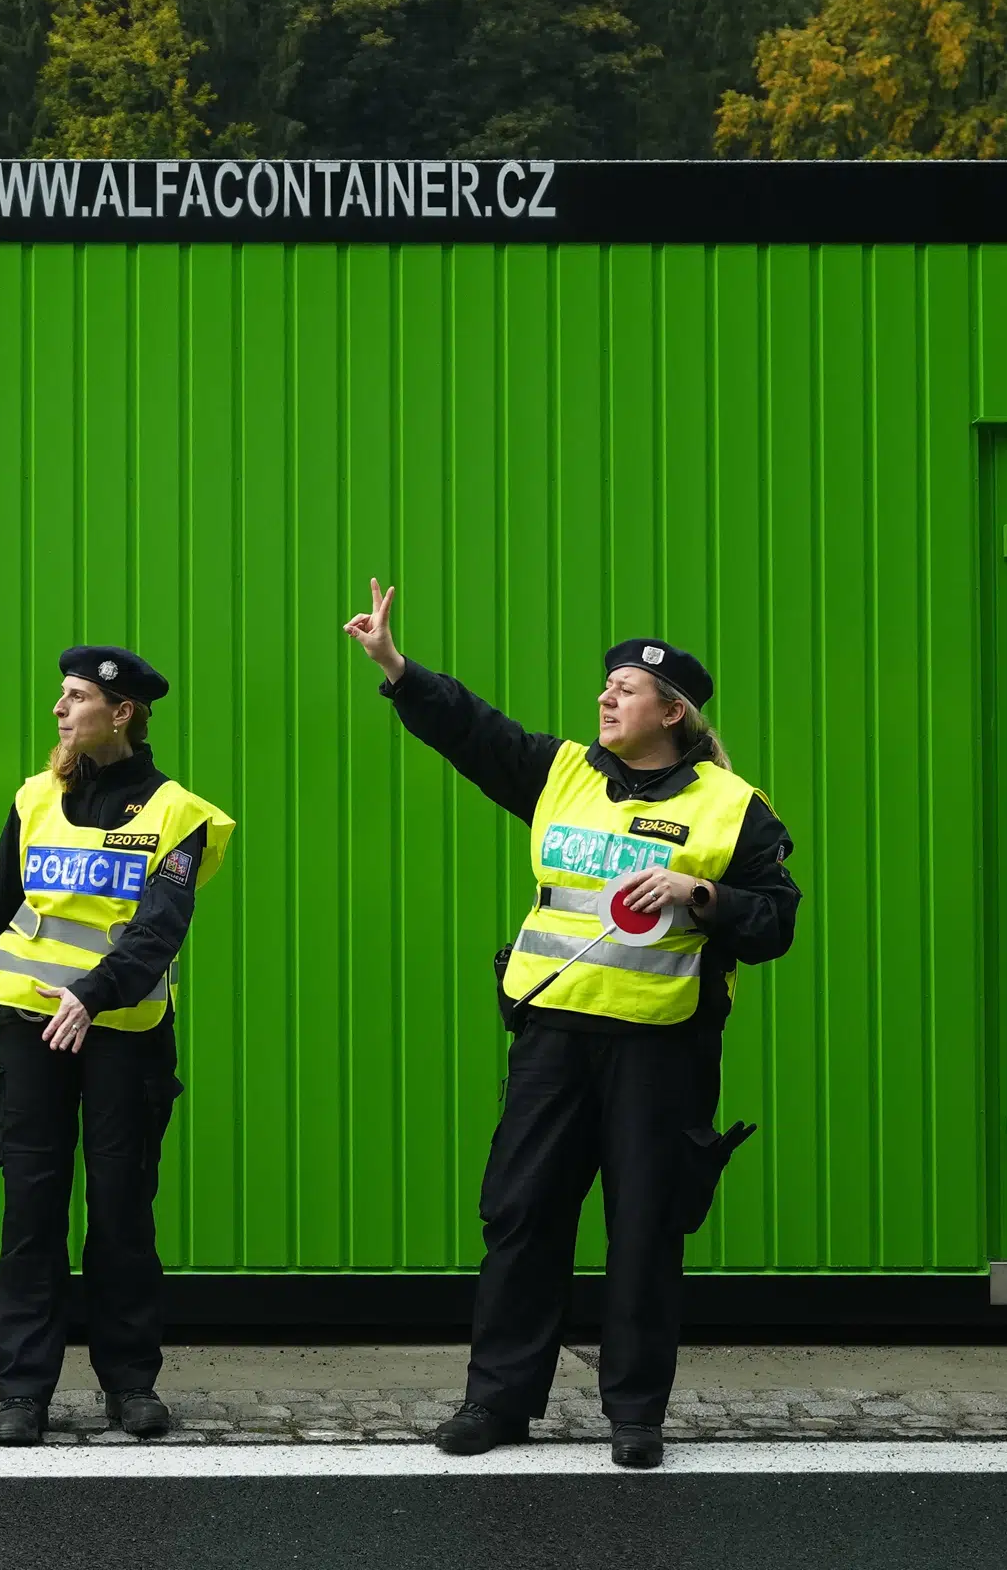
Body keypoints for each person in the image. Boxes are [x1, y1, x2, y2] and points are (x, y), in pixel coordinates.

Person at [344, 582, 801, 1471]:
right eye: (606, 687)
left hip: (660, 1052)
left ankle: (635, 1415)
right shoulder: (562, 773)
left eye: (624, 690)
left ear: (672, 712)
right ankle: (497, 1404)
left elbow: (777, 919)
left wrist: (702, 894)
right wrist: (396, 669)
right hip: (551, 1037)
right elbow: (476, 732)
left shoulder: (731, 804)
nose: (605, 698)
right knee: (521, 1218)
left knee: (643, 1230)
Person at [0, 645, 236, 1447]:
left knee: (120, 1209)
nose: (59, 711)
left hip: (124, 1036)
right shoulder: (36, 797)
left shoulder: (179, 814)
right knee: (31, 1210)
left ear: (123, 711)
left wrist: (92, 996)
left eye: (75, 698)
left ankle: (130, 1383)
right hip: (26, 1024)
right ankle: (24, 1392)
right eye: (61, 698)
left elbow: (161, 928)